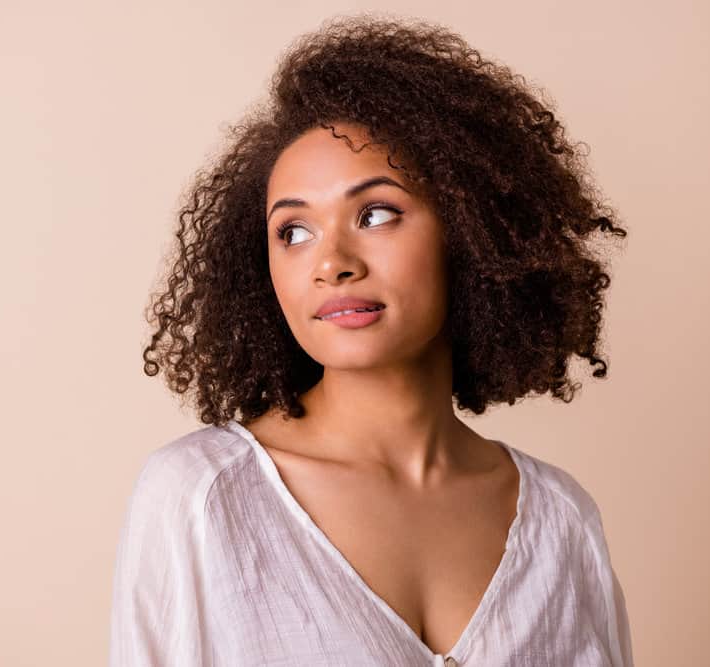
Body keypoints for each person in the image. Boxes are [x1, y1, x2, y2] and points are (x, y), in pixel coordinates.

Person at [109, 13, 633, 667]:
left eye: (376, 213)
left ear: (469, 231)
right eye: (293, 232)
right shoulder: (201, 500)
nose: (331, 261)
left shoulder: (563, 524)